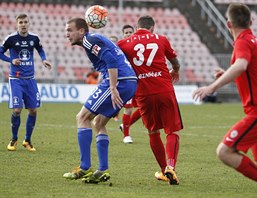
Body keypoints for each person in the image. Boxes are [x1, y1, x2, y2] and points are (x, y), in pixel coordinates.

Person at [193, 3, 257, 185]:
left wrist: (212, 87)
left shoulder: (243, 41)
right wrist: (227, 75)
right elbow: (253, 75)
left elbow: (241, 66)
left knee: (224, 152)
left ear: (228, 24)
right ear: (251, 21)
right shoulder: (256, 42)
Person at [63, 18, 137, 184]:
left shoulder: (89, 40)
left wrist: (112, 87)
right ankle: (102, 170)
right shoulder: (94, 39)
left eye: (70, 30)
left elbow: (111, 60)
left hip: (120, 81)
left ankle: (84, 167)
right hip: (129, 81)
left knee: (82, 117)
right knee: (98, 123)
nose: (67, 34)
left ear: (81, 31)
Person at [118, 16, 183, 185]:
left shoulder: (125, 43)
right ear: (152, 28)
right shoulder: (161, 39)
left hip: (143, 93)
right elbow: (175, 61)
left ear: (136, 27)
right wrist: (175, 70)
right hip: (164, 89)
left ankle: (163, 171)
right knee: (172, 131)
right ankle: (171, 166)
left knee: (153, 132)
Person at [0, 13, 52, 152]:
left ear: (29, 23)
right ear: (17, 24)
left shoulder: (34, 38)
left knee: (33, 110)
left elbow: (40, 48)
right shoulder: (11, 39)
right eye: (21, 22)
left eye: (25, 22)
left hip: (30, 79)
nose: (23, 24)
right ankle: (14, 138)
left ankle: (27, 140)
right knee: (17, 110)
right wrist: (11, 60)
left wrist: (44, 59)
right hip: (16, 79)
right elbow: (0, 52)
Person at [120, 24, 142, 144]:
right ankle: (126, 135)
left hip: (140, 80)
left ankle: (124, 125)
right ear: (123, 35)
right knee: (128, 109)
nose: (128, 34)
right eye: (126, 32)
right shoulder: (121, 47)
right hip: (128, 80)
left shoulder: (137, 47)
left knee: (143, 108)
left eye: (130, 32)